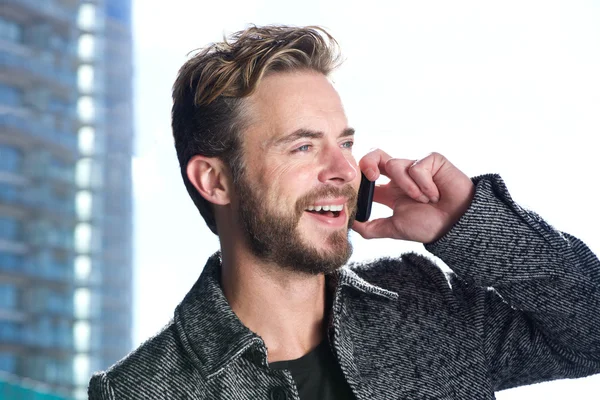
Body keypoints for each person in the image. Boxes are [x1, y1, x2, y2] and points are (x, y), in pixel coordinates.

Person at [88, 25, 600, 399]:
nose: (345, 170)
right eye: (303, 147)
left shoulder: (422, 299)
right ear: (215, 180)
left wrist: (465, 221)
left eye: (345, 143)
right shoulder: (139, 391)